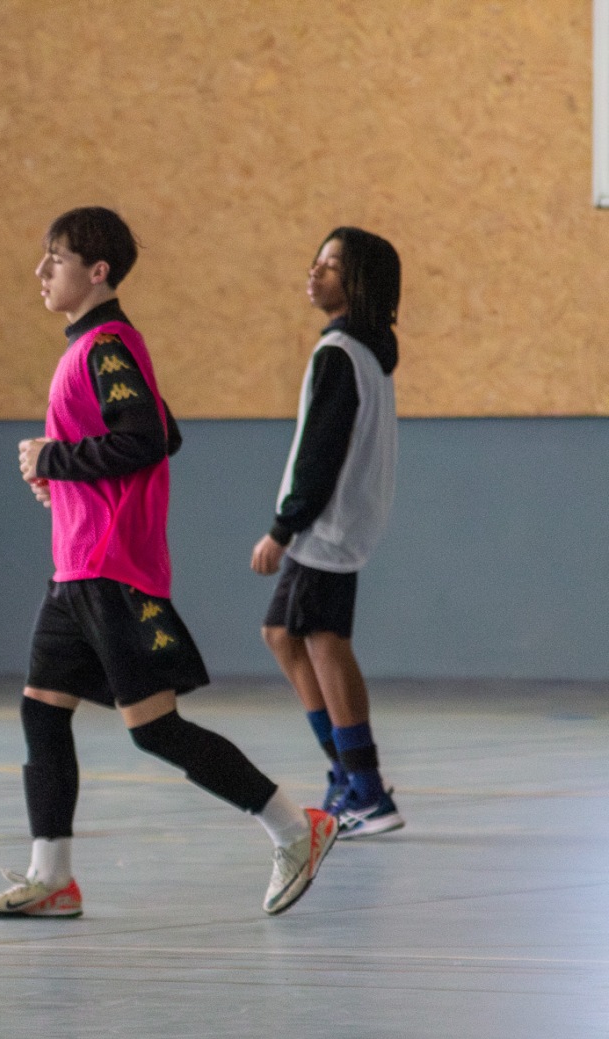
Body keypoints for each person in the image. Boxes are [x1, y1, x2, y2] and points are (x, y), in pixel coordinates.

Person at [0, 207, 336, 921]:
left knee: (154, 728)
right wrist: (67, 472)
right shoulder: (96, 348)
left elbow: (141, 440)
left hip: (109, 570)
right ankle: (53, 878)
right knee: (41, 711)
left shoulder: (108, 345)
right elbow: (164, 429)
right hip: (74, 571)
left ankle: (298, 828)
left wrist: (54, 458)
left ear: (96, 271)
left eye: (57, 259)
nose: (42, 273)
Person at [253, 228, 403, 838]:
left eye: (333, 266)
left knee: (321, 640)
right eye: (315, 260)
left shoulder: (341, 353)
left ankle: (365, 789)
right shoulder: (359, 351)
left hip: (324, 526)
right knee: (283, 634)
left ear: (360, 282)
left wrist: (283, 527)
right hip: (335, 524)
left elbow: (321, 450)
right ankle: (348, 776)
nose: (315, 272)